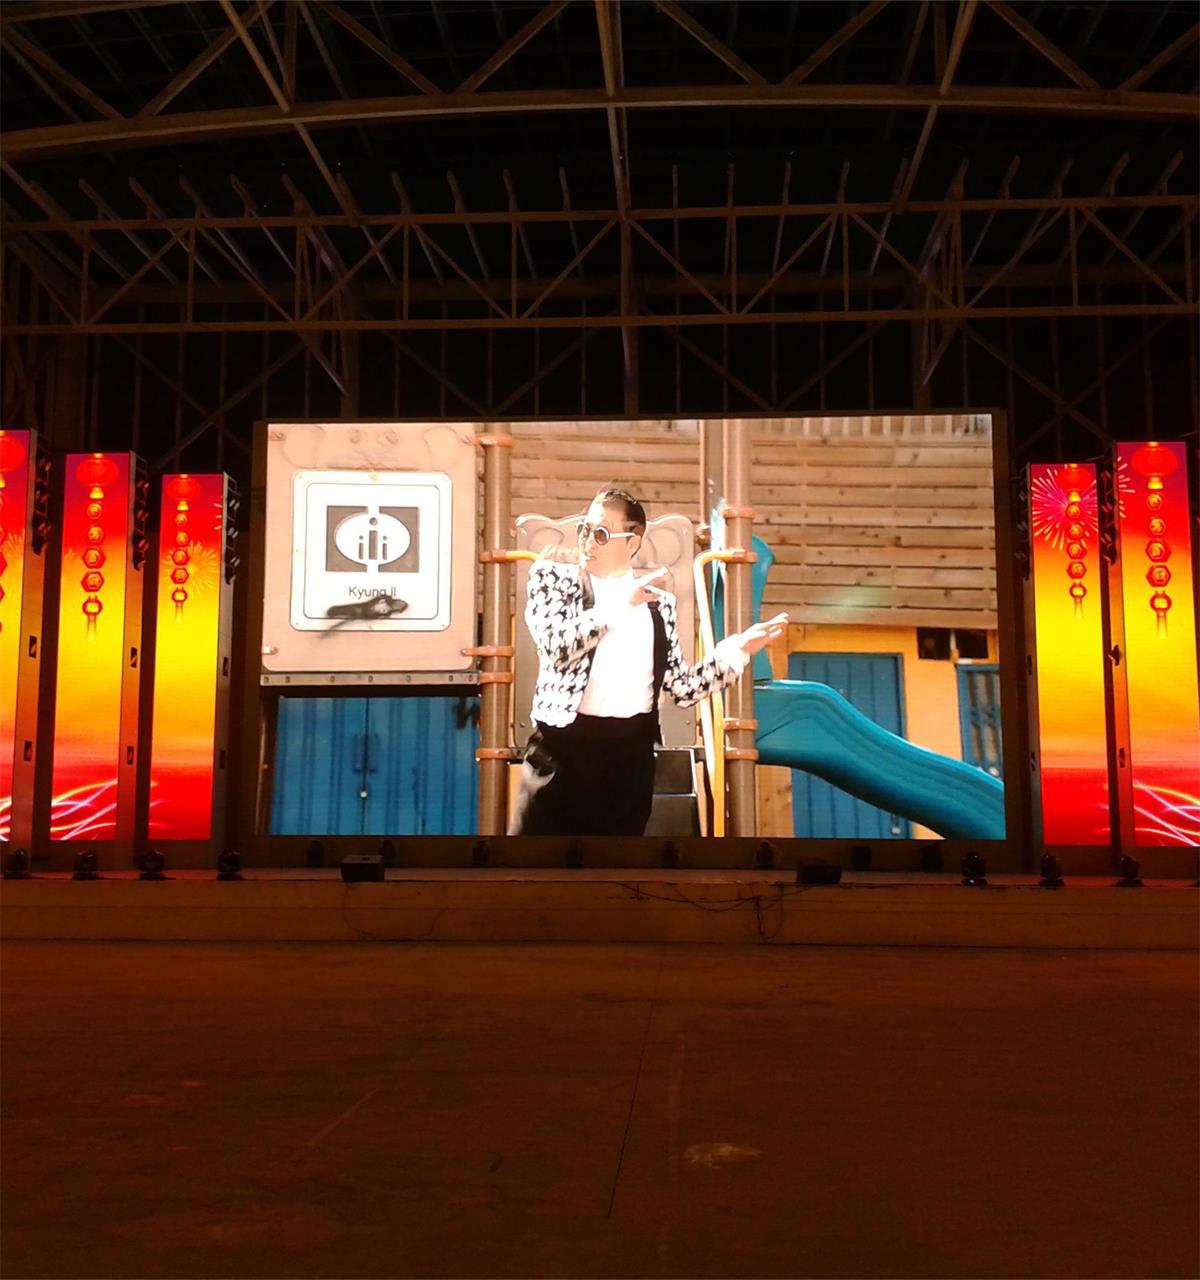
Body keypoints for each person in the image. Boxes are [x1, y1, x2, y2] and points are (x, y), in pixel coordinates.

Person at [509, 486, 788, 837]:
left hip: (628, 758)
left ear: (632, 543)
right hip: (560, 751)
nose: (587, 541)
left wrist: (737, 650)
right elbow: (557, 646)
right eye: (585, 529)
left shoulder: (658, 604)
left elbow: (681, 688)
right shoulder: (554, 579)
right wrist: (622, 603)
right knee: (533, 861)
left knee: (618, 865)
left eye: (600, 534)